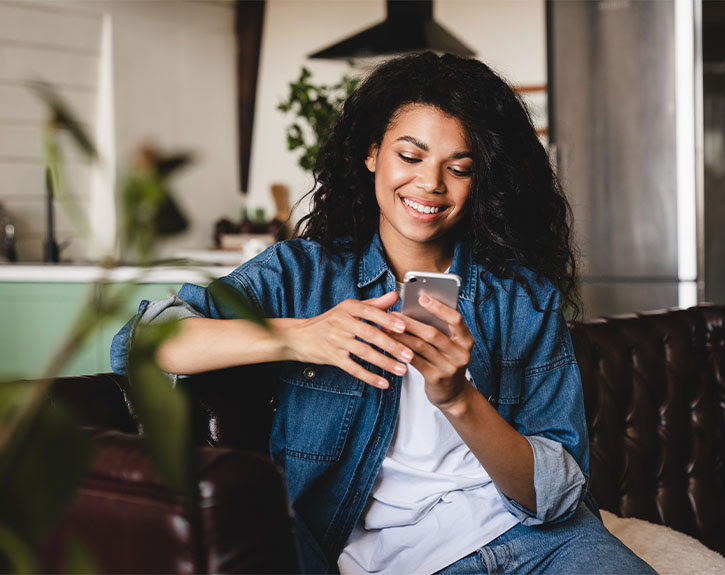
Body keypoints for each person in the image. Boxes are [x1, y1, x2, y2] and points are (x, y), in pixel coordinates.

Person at [111, 52, 654, 575]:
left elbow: (556, 494)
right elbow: (143, 342)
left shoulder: (519, 297)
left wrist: (459, 398)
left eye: (458, 168)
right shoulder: (300, 276)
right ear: (372, 153)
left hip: (535, 542)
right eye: (410, 156)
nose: (430, 185)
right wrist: (301, 336)